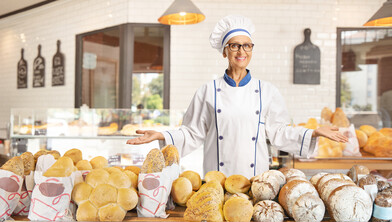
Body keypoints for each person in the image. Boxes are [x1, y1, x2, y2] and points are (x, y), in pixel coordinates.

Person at [127, 15, 348, 179]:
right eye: (234, 45)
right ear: (225, 51)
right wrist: (162, 135)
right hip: (217, 178)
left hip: (257, 179)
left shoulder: (267, 91)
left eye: (247, 45)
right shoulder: (208, 91)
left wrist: (313, 132)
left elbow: (279, 131)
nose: (241, 51)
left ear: (251, 50)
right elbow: (192, 133)